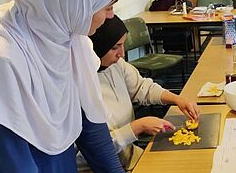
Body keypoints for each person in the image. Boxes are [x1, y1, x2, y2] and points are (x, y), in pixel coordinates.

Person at [0, 0, 125, 173]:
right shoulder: (0, 61)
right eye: (107, 7)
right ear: (77, 2)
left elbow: (91, 126)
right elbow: (10, 162)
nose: (110, 17)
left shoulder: (69, 39)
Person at [78, 15, 200, 171]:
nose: (121, 53)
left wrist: (177, 99)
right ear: (96, 46)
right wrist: (136, 128)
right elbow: (83, 156)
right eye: (115, 47)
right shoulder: (80, 84)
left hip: (129, 157)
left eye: (123, 45)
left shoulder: (116, 64)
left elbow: (142, 87)